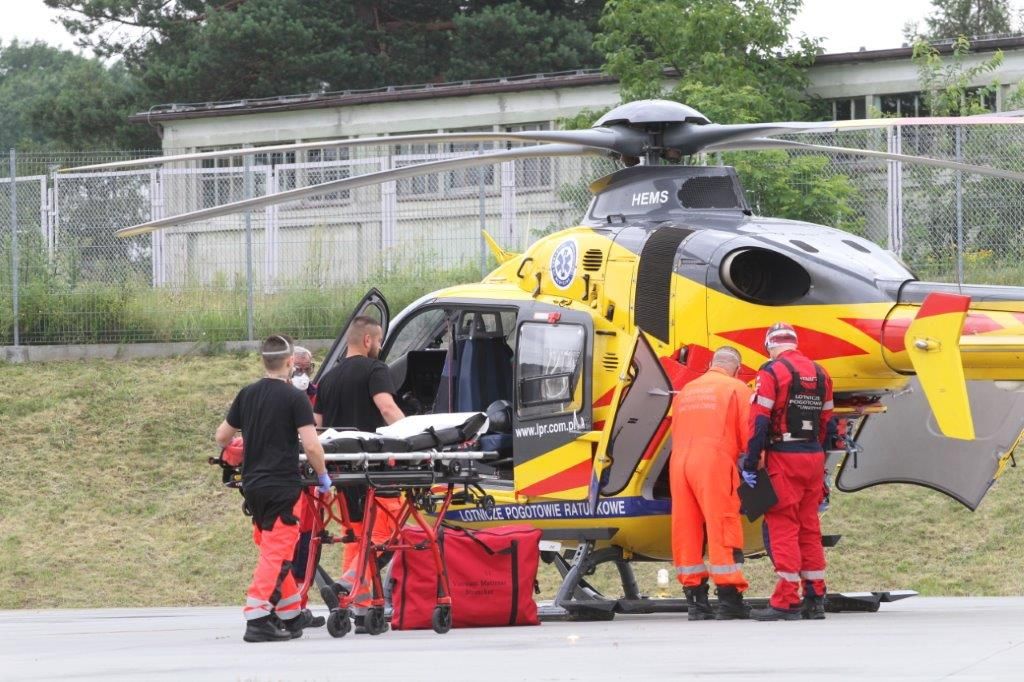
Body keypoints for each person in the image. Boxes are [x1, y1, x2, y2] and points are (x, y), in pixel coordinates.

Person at [215, 335, 331, 643]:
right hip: (282, 486)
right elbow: (312, 445)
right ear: (291, 363)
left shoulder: (247, 394)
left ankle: (290, 614)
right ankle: (257, 618)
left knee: (272, 548)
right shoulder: (294, 398)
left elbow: (222, 436)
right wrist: (323, 478)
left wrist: (243, 446)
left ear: (264, 362)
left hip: (253, 487)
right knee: (278, 553)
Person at [314, 316, 405, 628]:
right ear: (368, 340)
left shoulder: (328, 379)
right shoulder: (375, 370)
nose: (379, 346)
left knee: (356, 534)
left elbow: (316, 426)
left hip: (342, 470)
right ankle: (348, 583)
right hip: (375, 468)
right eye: (378, 341)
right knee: (388, 532)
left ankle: (361, 607)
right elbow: (387, 408)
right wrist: (412, 438)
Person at [740, 323, 834, 621]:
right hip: (813, 456)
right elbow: (827, 423)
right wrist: (818, 455)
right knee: (809, 527)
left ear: (769, 346)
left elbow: (759, 422)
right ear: (795, 343)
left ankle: (785, 600)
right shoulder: (822, 373)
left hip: (785, 456)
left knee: (783, 526)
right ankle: (815, 596)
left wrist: (751, 462)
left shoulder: (771, 372)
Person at [670, 346, 753, 621]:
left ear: (711, 364)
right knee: (722, 525)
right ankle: (730, 600)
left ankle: (696, 603)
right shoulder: (736, 388)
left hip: (679, 464)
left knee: (686, 529)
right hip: (714, 461)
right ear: (737, 368)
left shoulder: (685, 391)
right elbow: (747, 438)